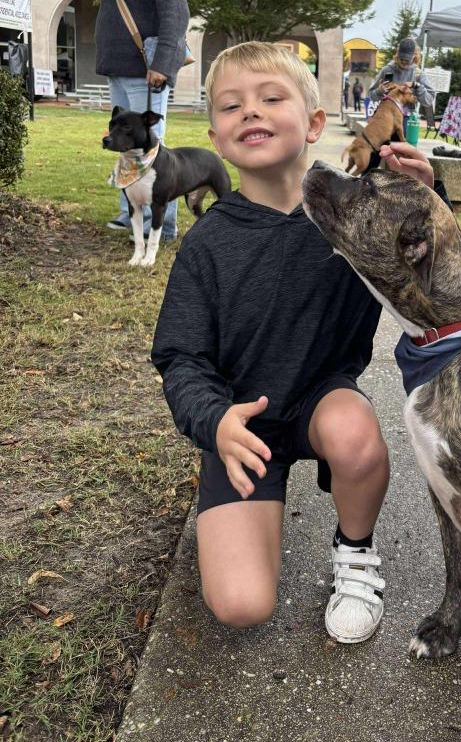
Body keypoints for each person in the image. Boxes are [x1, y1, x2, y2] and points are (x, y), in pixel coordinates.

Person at [152, 43, 439, 641]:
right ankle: (233, 515)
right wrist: (214, 422)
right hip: (242, 422)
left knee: (355, 433)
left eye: (270, 98)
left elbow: (428, 287)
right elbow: (181, 356)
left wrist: (422, 204)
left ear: (314, 124)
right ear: (215, 135)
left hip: (318, 399)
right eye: (232, 106)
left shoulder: (355, 219)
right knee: (241, 604)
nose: (250, 112)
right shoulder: (206, 244)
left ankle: (355, 552)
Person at [96, 0, 190, 239]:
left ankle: (160, 225)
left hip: (144, 70)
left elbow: (175, 13)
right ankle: (131, 212)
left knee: (151, 147)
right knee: (126, 143)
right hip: (123, 69)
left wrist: (163, 63)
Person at [368, 37, 436, 112]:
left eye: (407, 60)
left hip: (408, 119)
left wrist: (417, 86)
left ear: (414, 55)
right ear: (397, 54)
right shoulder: (388, 70)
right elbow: (370, 96)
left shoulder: (418, 74)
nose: (403, 62)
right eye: (401, 59)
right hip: (387, 116)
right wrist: (379, 91)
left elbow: (428, 101)